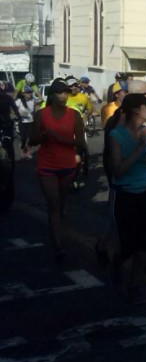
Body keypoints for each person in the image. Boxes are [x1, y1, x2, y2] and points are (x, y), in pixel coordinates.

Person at [108, 94, 146, 303]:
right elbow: (118, 170)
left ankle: (135, 286)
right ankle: (115, 267)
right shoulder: (116, 135)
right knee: (127, 245)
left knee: (143, 246)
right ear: (136, 110)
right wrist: (139, 147)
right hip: (124, 194)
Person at [29, 79, 84, 261]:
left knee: (60, 202)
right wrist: (45, 135)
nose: (64, 96)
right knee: (53, 204)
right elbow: (33, 140)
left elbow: (81, 142)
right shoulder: (42, 114)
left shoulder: (74, 115)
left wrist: (60, 139)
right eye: (60, 92)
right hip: (47, 164)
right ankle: (58, 245)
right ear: (52, 95)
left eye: (66, 92)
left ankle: (59, 227)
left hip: (67, 165)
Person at [15, 86, 37, 160]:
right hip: (22, 122)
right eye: (27, 93)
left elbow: (34, 111)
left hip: (31, 122)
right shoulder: (19, 101)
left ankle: (28, 151)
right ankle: (22, 152)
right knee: (23, 138)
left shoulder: (33, 100)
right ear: (23, 93)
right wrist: (20, 114)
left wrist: (35, 119)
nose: (29, 94)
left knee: (31, 139)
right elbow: (12, 109)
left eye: (30, 92)